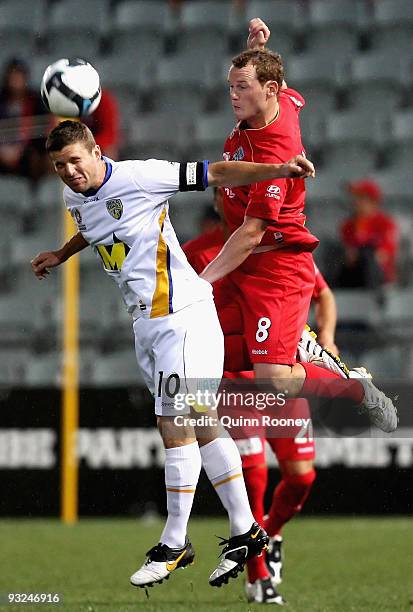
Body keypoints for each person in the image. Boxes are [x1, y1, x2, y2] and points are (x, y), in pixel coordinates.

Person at [30, 120, 315, 590]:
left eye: (76, 161)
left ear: (97, 152)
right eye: (60, 165)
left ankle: (174, 541)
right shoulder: (73, 197)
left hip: (180, 313)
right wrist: (63, 252)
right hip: (147, 322)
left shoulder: (141, 176)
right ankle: (246, 529)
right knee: (202, 420)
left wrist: (280, 168)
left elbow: (216, 173)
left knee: (174, 423)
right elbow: (98, 225)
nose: (69, 171)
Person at [199, 19, 397, 443]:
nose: (233, 96)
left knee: (273, 377)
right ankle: (296, 347)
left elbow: (252, 233)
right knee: (201, 347)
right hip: (245, 266)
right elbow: (275, 80)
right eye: (230, 87)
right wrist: (254, 52)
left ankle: (354, 386)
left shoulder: (278, 148)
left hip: (275, 267)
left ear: (266, 91)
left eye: (242, 88)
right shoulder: (277, 100)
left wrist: (202, 281)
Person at [184, 190, 340, 605]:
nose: (230, 196)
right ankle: (259, 578)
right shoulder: (197, 252)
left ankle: (268, 534)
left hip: (278, 373)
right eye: (224, 189)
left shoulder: (275, 242)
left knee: (302, 476)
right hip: (234, 380)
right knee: (252, 479)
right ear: (219, 196)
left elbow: (321, 293)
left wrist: (325, 337)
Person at [338, 179, 399, 288]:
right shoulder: (348, 225)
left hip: (379, 278)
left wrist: (362, 254)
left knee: (368, 254)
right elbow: (348, 255)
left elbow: (384, 255)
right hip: (354, 275)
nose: (356, 202)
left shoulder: (385, 223)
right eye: (355, 197)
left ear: (373, 201)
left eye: (361, 198)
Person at [0, 57, 50, 183]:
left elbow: (42, 132)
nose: (15, 82)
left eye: (18, 77)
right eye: (12, 77)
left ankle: (35, 194)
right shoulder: (1, 100)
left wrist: (20, 148)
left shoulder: (36, 101)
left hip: (28, 153)